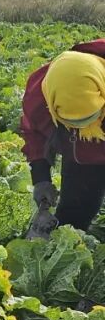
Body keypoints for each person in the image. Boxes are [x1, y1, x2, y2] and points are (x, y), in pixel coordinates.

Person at [20, 39, 105, 238]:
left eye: (89, 118)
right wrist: (41, 178)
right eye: (72, 122)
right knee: (73, 217)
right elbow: (34, 132)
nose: (82, 128)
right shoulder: (41, 93)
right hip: (79, 159)